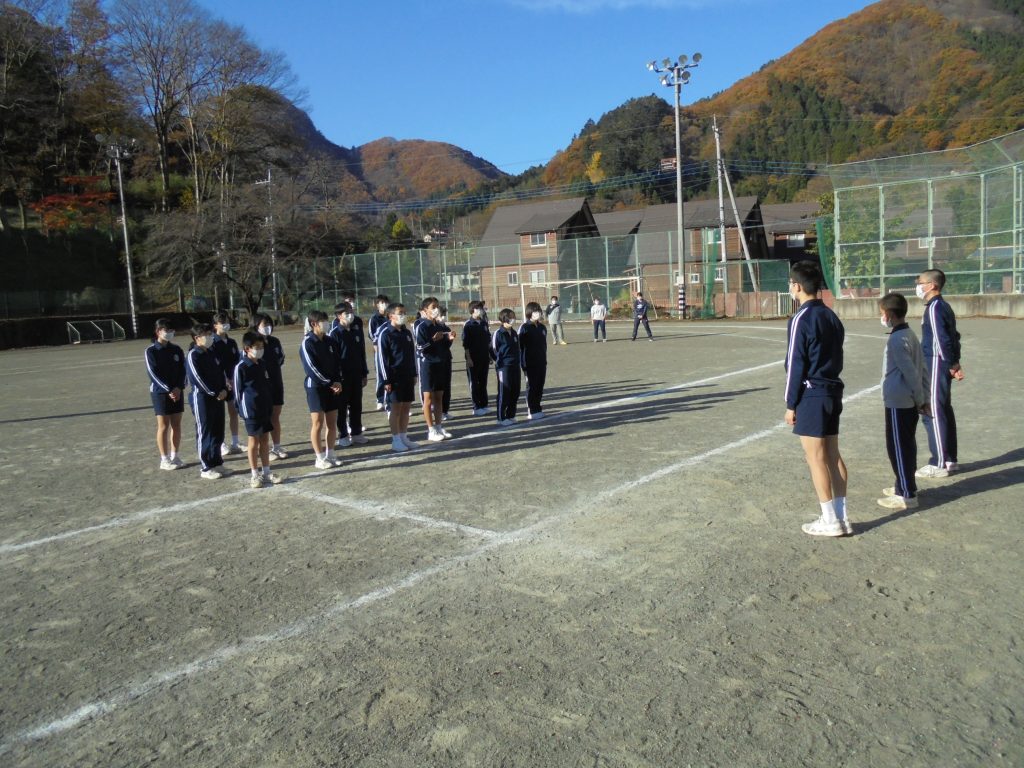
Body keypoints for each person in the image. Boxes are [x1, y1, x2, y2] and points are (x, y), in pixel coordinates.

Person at [784, 261, 850, 537]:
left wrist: (791, 403)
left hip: (812, 392)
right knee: (833, 456)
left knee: (815, 458)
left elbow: (794, 362)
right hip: (832, 389)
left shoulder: (801, 317)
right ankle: (842, 517)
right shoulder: (831, 316)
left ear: (797, 286)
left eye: (790, 284)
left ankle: (829, 520)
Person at [877, 293, 929, 511]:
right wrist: (922, 397)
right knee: (903, 444)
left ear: (888, 314)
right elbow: (923, 369)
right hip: (903, 399)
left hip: (900, 401)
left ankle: (906, 493)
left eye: (881, 313)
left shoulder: (898, 339)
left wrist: (920, 399)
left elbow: (912, 373)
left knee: (899, 447)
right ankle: (903, 484)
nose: (881, 317)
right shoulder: (908, 334)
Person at [915, 269, 963, 479]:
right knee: (943, 409)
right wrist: (955, 361)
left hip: (935, 362)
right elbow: (955, 336)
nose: (918, 285)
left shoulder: (934, 308)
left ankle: (939, 462)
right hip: (941, 362)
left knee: (932, 410)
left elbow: (943, 338)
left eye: (921, 282)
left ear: (932, 285)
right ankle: (949, 459)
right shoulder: (942, 306)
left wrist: (952, 363)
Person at [234, 331, 283, 488]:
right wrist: (241, 410)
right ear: (247, 348)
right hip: (251, 410)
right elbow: (237, 391)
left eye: (262, 346)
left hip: (265, 407)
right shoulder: (241, 367)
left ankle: (267, 472)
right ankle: (254, 475)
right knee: (253, 441)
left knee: (264, 440)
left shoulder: (262, 364)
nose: (260, 349)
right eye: (257, 347)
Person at [185, 322, 230, 480]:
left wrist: (224, 388)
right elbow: (197, 378)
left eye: (210, 333)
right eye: (206, 334)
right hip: (202, 399)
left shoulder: (211, 353)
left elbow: (220, 373)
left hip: (219, 397)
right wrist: (215, 392)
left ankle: (217, 461)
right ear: (197, 338)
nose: (210, 337)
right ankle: (206, 467)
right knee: (205, 431)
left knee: (218, 429)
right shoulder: (193, 355)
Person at [300, 310, 343, 469]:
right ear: (313, 324)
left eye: (327, 320)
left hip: (332, 386)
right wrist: (329, 382)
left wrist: (337, 380)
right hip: (316, 388)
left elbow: (337, 363)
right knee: (317, 423)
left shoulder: (330, 341)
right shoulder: (308, 343)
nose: (326, 323)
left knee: (332, 422)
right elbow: (311, 368)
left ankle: (330, 454)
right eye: (322, 321)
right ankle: (319, 458)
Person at [377, 302, 419, 452]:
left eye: (404, 312)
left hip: (407, 375)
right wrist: (386, 380)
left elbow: (412, 355)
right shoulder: (385, 334)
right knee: (395, 408)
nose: (403, 315)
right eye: (400, 313)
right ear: (391, 316)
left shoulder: (407, 333)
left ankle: (403, 436)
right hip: (393, 378)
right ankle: (395, 439)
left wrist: (414, 373)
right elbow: (382, 359)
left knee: (406, 408)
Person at [145, 318, 186, 470]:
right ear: (157, 332)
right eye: (165, 330)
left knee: (176, 424)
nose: (169, 333)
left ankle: (175, 456)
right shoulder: (151, 351)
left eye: (171, 330)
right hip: (160, 393)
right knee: (163, 426)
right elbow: (153, 374)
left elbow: (183, 371)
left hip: (177, 392)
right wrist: (168, 389)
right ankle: (164, 459)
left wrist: (178, 388)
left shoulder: (177, 350)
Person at [415, 297, 455, 442]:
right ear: (425, 310)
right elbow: (420, 347)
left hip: (441, 363)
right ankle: (430, 429)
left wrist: (449, 339)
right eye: (433, 307)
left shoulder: (439, 325)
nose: (436, 309)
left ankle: (438, 426)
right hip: (428, 365)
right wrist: (433, 340)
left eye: (437, 306)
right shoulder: (421, 326)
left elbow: (444, 346)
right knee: (428, 398)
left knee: (439, 397)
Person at [330, 301, 369, 448]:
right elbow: (334, 359)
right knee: (342, 407)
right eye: (347, 313)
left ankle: (357, 432)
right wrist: (336, 378)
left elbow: (361, 353)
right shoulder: (335, 334)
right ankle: (343, 435)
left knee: (356, 405)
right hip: (342, 377)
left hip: (356, 374)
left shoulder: (356, 330)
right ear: (339, 316)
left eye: (351, 312)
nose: (350, 315)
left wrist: (364, 372)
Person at [251, 313, 288, 460]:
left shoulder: (275, 341)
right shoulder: (253, 343)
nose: (267, 327)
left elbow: (281, 358)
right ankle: (263, 449)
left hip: (276, 382)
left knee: (275, 416)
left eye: (269, 324)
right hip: (261, 386)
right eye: (264, 325)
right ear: (256, 326)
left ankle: (277, 447)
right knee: (264, 418)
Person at [211, 311, 242, 455]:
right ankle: (221, 443)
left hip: (232, 382)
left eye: (227, 322)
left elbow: (237, 362)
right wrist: (224, 380)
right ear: (215, 326)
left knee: (233, 411)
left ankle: (235, 442)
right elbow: (214, 365)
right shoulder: (212, 343)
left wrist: (234, 379)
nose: (225, 325)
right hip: (218, 384)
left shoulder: (232, 342)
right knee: (218, 415)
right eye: (222, 323)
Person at [491, 308, 521, 426]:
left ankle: (511, 415)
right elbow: (493, 350)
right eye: (511, 316)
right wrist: (499, 362)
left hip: (515, 365)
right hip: (504, 367)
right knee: (504, 391)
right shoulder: (498, 334)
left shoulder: (514, 333)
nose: (513, 318)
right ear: (504, 318)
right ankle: (501, 417)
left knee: (516, 391)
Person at [519, 301, 548, 419]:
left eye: (539, 311)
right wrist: (523, 363)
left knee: (540, 385)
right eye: (535, 311)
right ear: (529, 312)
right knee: (531, 386)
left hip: (541, 361)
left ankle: (537, 407)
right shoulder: (524, 327)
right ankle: (531, 409)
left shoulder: (542, 327)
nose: (538, 313)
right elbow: (520, 347)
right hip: (529, 363)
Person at [462, 300, 491, 415]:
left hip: (484, 357)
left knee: (483, 382)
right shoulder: (468, 325)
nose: (481, 310)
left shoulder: (484, 323)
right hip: (473, 359)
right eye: (479, 308)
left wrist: (489, 356)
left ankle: (484, 404)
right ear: (473, 310)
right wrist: (468, 358)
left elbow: (488, 340)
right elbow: (466, 344)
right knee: (474, 383)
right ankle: (476, 407)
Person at [368, 294, 391, 412]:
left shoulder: (391, 316)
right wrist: (377, 345)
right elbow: (371, 335)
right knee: (381, 376)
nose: (384, 305)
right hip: (379, 351)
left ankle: (390, 400)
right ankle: (380, 400)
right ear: (377, 305)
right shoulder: (374, 319)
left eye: (385, 302)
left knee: (391, 375)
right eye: (381, 303)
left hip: (391, 351)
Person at [439, 306, 453, 420]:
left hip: (446, 358)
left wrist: (450, 339)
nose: (443, 317)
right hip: (436, 361)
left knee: (447, 386)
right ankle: (439, 411)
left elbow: (447, 346)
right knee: (439, 387)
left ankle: (445, 410)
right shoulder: (432, 328)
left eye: (444, 314)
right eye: (441, 314)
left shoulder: (446, 328)